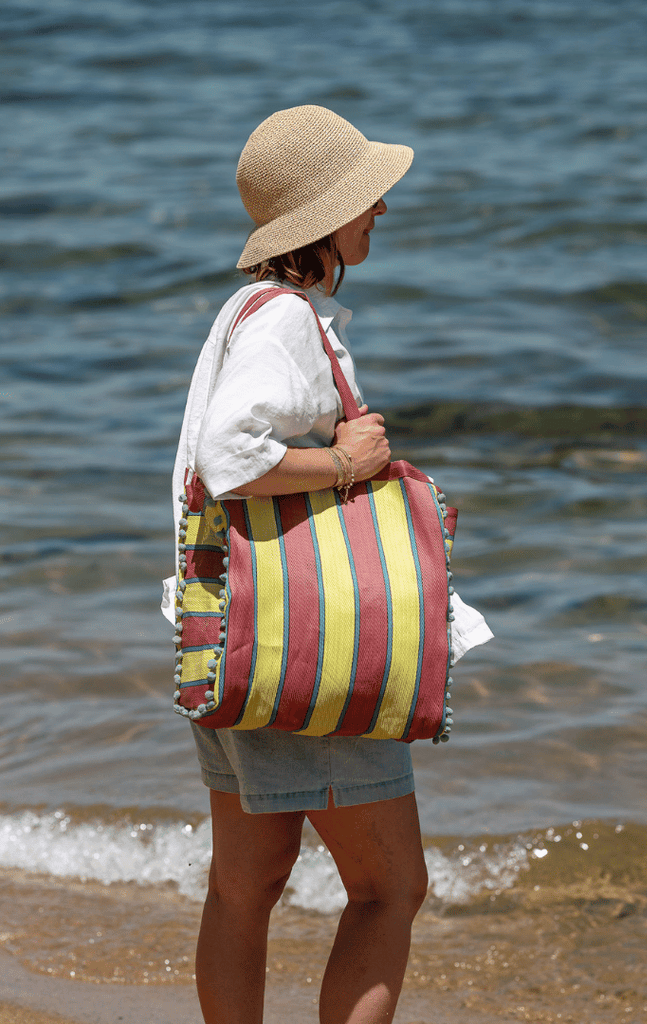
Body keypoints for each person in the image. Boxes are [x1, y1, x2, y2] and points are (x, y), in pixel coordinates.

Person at [161, 105, 492, 1024]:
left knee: (247, 884)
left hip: (230, 633)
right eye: (364, 195)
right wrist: (350, 462)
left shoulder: (242, 314)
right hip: (305, 642)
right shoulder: (288, 325)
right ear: (320, 219)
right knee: (393, 889)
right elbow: (232, 456)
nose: (381, 206)